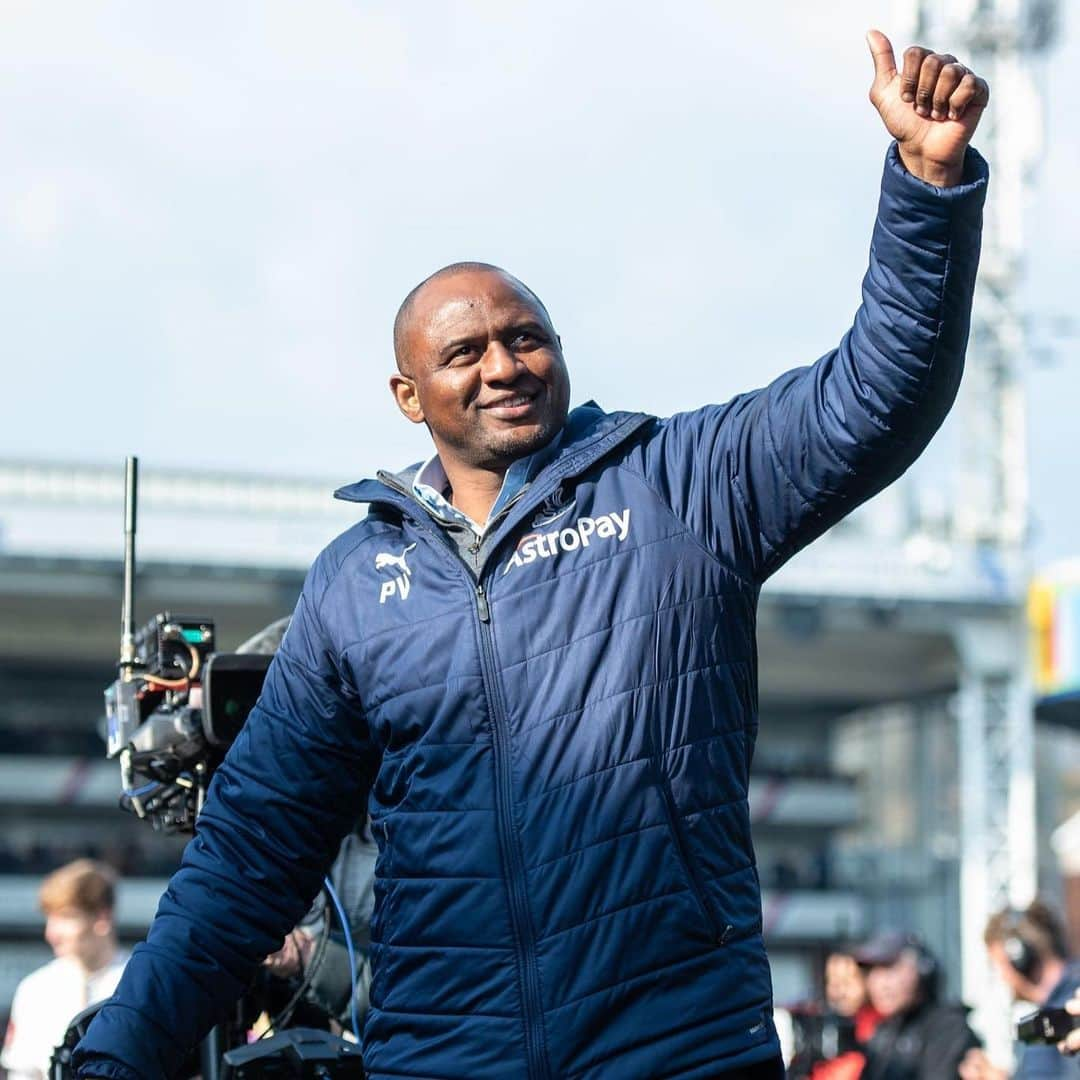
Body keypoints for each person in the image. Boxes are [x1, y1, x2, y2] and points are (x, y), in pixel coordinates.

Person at [73, 29, 991, 1080]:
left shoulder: (677, 483)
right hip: (443, 1057)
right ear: (408, 398)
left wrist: (929, 182)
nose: (505, 365)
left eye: (527, 337)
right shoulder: (351, 585)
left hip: (677, 1053)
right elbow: (248, 857)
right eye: (464, 352)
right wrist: (118, 1056)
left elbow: (873, 400)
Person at [2, 860, 128, 1080]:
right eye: (50, 918)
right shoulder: (34, 989)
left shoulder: (141, 983)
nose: (51, 933)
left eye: (66, 917)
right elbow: (23, 1073)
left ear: (102, 917)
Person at [960, 900, 1080, 1079]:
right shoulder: (1051, 1011)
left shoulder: (1070, 1008)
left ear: (1019, 958)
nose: (1002, 978)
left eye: (999, 966)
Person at [855, 932, 980, 1080]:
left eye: (889, 969)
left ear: (923, 970)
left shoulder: (948, 1029)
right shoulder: (884, 1033)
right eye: (872, 972)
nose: (881, 984)